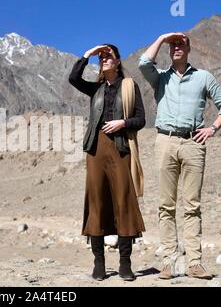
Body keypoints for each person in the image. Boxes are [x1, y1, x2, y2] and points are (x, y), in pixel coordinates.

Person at [138, 33, 221, 280]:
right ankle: (169, 262)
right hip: (165, 141)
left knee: (192, 206)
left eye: (181, 44)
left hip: (193, 143)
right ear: (168, 51)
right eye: (173, 45)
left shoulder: (203, 77)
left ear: (189, 48)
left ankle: (194, 263)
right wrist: (161, 38)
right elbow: (143, 63)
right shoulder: (160, 79)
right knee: (165, 206)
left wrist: (212, 128)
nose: (177, 48)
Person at [69, 44, 146, 281]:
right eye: (101, 57)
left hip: (121, 147)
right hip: (96, 149)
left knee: (124, 201)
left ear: (118, 60)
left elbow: (141, 119)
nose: (103, 59)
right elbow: (73, 78)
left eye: (108, 56)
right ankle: (99, 263)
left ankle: (125, 264)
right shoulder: (96, 89)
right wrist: (88, 54)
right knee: (97, 202)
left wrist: (122, 123)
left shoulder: (130, 86)